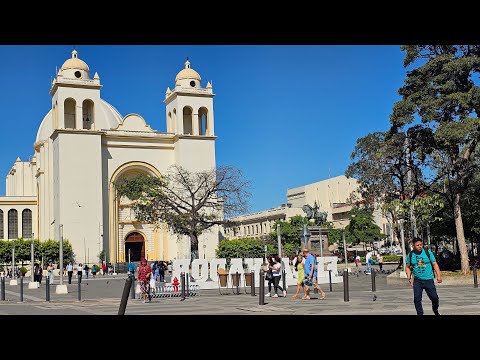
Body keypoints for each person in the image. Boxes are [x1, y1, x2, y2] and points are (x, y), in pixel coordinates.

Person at [405, 237, 442, 316]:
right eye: (417, 245)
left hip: (429, 279)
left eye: (421, 245)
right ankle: (420, 313)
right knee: (417, 300)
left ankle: (435, 310)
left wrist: (439, 276)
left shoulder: (427, 252)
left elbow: (434, 264)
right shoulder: (410, 255)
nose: (419, 246)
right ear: (413, 246)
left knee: (434, 298)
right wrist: (409, 278)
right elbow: (407, 267)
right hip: (417, 281)